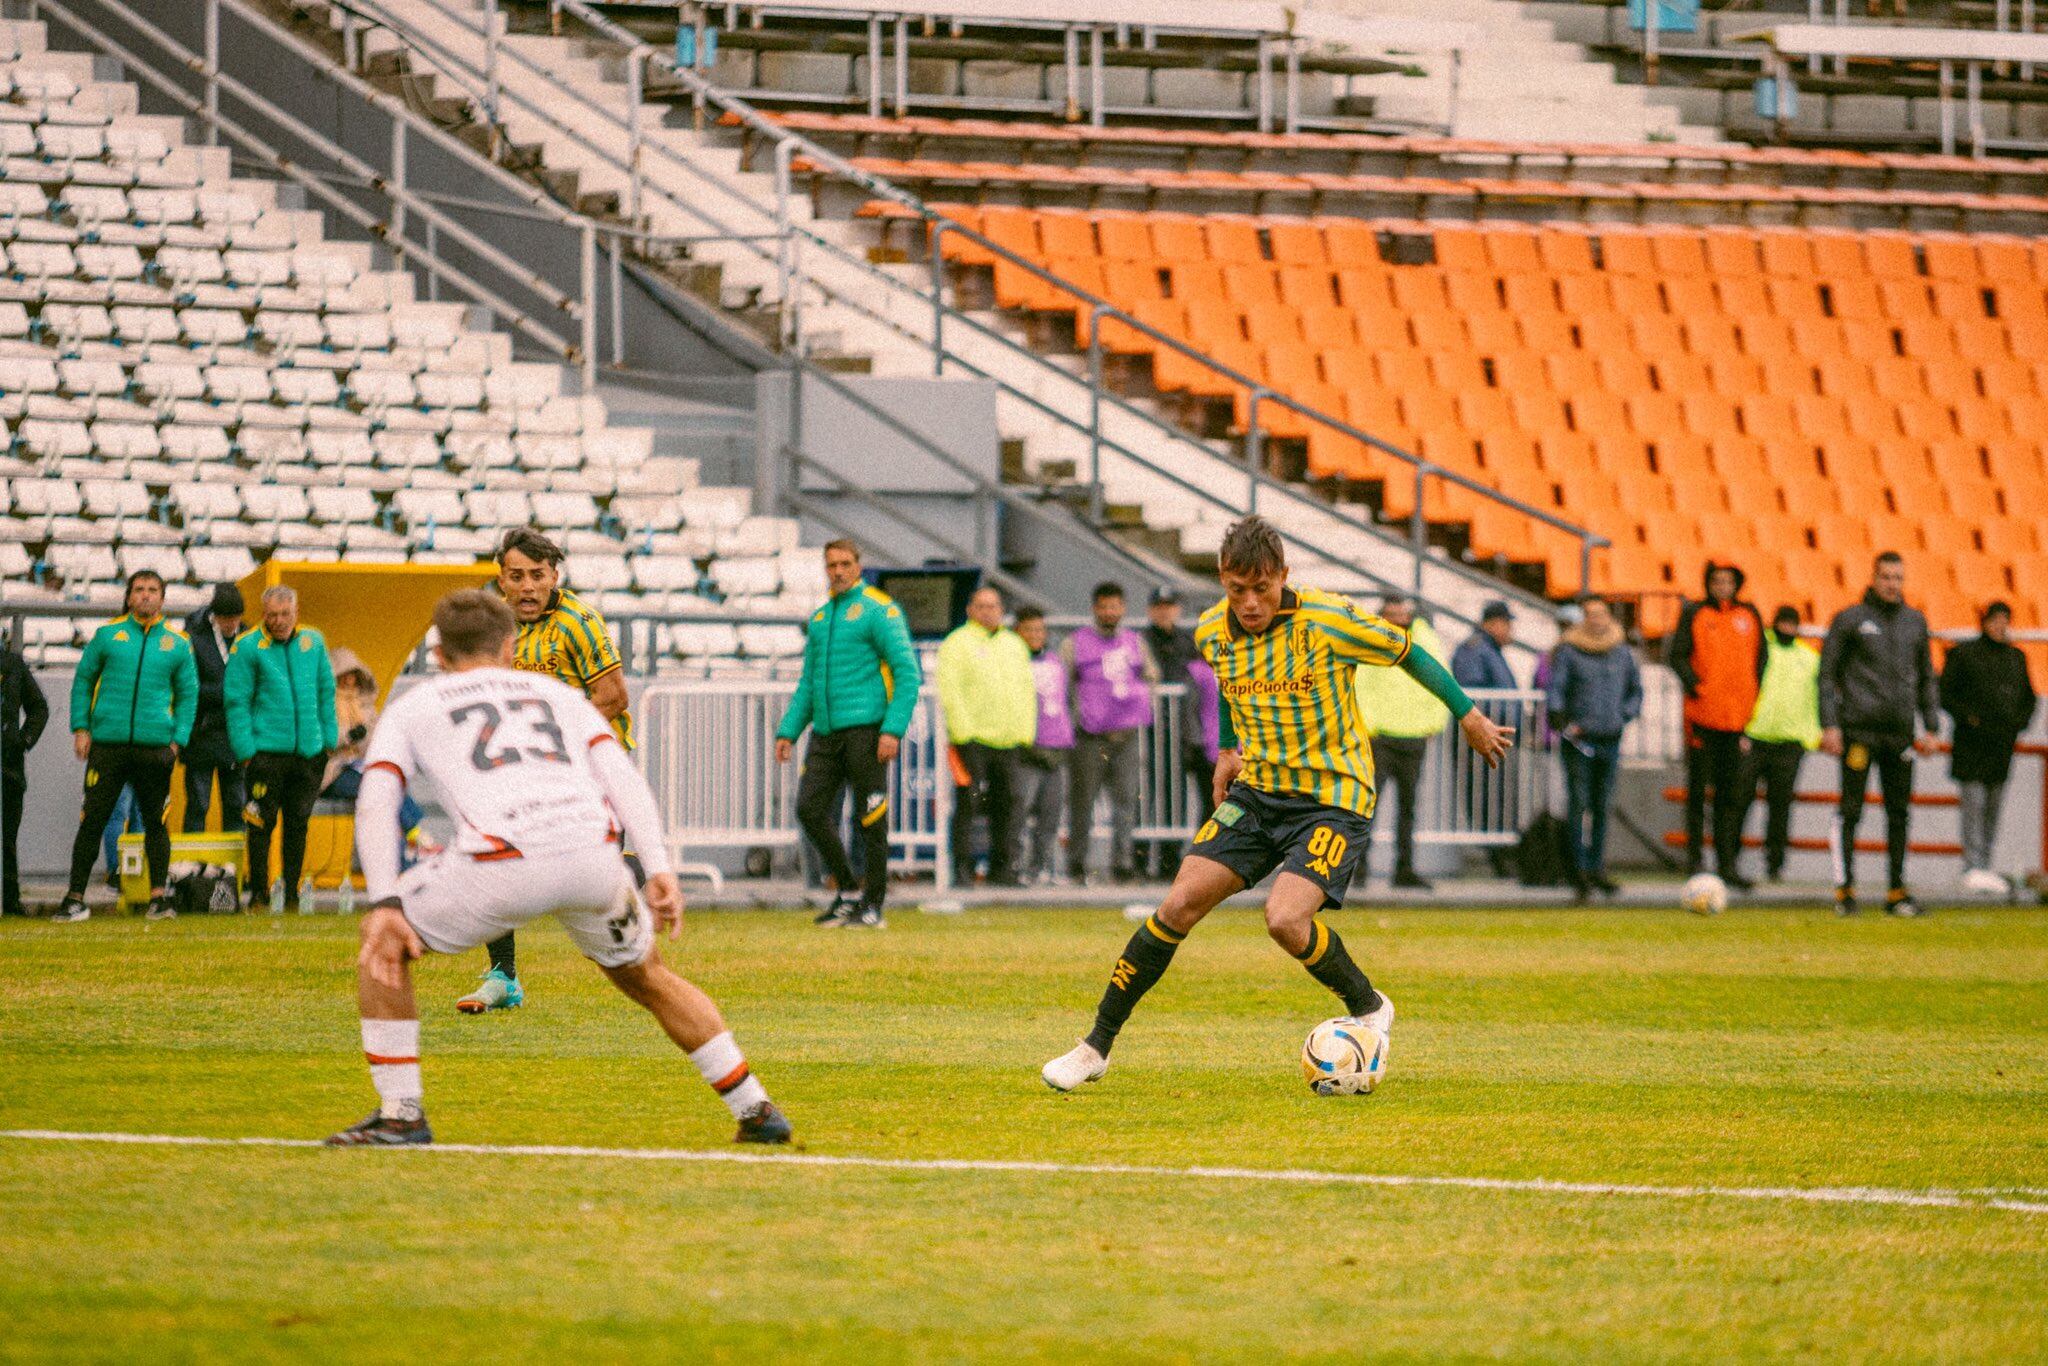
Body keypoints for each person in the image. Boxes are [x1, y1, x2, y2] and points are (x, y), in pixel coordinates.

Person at [1041, 516, 1512, 1092]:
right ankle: (1095, 1048)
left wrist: (1466, 713)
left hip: (1333, 797)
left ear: (1283, 577)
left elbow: (1409, 652)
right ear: (1222, 580)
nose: (1249, 602)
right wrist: (1226, 750)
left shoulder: (1327, 619)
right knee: (1177, 905)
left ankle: (1368, 1005)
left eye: (1261, 588)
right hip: (1260, 791)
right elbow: (1228, 683)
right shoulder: (1214, 629)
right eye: (1237, 589)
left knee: (1285, 919)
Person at [328, 589, 791, 1147]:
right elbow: (621, 777)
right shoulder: (555, 694)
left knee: (383, 948)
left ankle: (401, 1113)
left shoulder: (417, 705)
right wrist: (659, 866)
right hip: (594, 859)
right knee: (648, 975)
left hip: (502, 862)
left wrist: (384, 903)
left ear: (438, 653)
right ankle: (756, 1108)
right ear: (509, 644)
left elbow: (377, 797)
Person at [458, 527, 636, 1013]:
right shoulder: (495, 629)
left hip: (589, 771)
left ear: (554, 575)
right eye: (516, 577)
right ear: (502, 580)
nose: (528, 587)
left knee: (599, 893)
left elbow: (614, 696)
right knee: (491, 856)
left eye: (537, 575)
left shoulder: (578, 622)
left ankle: (637, 953)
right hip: (525, 771)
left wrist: (558, 744)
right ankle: (503, 977)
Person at [775, 538, 922, 929]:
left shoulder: (878, 610)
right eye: (831, 565)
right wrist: (788, 730)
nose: (838, 571)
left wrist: (892, 728)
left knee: (869, 817)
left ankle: (873, 904)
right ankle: (848, 890)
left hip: (867, 730)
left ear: (859, 566)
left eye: (845, 564)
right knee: (809, 809)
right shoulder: (821, 618)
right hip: (825, 733)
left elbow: (908, 673)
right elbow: (809, 682)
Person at [55, 570, 197, 923]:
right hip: (108, 747)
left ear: (162, 599)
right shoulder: (107, 635)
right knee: (93, 820)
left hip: (155, 749)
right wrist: (81, 727)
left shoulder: (178, 643)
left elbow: (189, 696)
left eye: (152, 590)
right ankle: (74, 899)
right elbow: (84, 681)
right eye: (139, 590)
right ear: (129, 597)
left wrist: (177, 741)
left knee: (155, 822)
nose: (146, 596)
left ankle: (158, 898)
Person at [1819, 552, 1941, 917]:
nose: (1892, 584)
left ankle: (1896, 891)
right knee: (1851, 810)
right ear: (1873, 578)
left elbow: (1926, 678)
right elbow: (1827, 675)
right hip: (1858, 731)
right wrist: (1830, 724)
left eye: (1898, 578)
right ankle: (1845, 890)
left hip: (1899, 733)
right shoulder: (1850, 620)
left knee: (1899, 812)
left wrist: (1931, 726)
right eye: (1886, 577)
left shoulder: (1915, 622)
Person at [226, 585, 338, 913]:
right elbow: (236, 701)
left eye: (284, 614)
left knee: (298, 824)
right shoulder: (248, 647)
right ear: (263, 615)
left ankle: (291, 895)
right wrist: (246, 749)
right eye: (272, 615)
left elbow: (325, 690)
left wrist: (328, 740)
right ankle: (259, 894)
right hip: (265, 754)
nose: (278, 621)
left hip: (308, 754)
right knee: (260, 824)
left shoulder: (313, 641)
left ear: (296, 613)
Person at [1667, 562, 1766, 889]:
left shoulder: (1749, 616)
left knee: (1730, 797)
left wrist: (1748, 696)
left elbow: (1760, 661)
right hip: (1702, 719)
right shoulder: (1695, 614)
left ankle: (1727, 863)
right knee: (1697, 793)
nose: (1723, 586)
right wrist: (1697, 687)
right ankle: (1695, 859)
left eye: (1728, 581)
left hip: (1736, 721)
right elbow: (1678, 655)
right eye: (1717, 581)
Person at [935, 585, 1035, 886]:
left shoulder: (1013, 644)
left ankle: (1003, 870)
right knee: (969, 803)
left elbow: (1026, 690)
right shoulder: (957, 643)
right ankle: (962, 870)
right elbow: (950, 690)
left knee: (1010, 805)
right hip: (973, 738)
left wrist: (1025, 731)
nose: (989, 611)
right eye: (982, 606)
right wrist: (962, 732)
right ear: (970, 610)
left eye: (994, 606)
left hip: (1009, 739)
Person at [1544, 597, 1642, 901]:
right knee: (1579, 802)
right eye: (1591, 615)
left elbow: (1635, 691)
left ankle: (1596, 866)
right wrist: (1563, 720)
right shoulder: (1570, 652)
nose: (1597, 620)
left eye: (1601, 614)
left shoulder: (1621, 652)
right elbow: (1556, 690)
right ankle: (1578, 869)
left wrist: (1623, 715)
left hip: (1609, 737)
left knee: (1602, 805)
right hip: (1580, 740)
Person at [1062, 582, 1160, 884]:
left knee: (1125, 804)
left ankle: (1123, 863)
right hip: (1089, 737)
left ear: (1123, 608)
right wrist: (1079, 714)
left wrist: (1138, 700)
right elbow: (1063, 680)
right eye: (1104, 606)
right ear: (1094, 608)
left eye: (1115, 606)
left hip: (1125, 736)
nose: (1109, 612)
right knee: (1082, 803)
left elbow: (1152, 675)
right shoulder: (1075, 642)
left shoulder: (1134, 642)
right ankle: (1076, 864)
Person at [1940, 601, 2038, 895]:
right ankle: (1973, 865)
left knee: (1993, 806)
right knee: (1974, 804)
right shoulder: (1964, 654)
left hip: (2001, 745)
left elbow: (2028, 698)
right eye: (1995, 621)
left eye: (2004, 621)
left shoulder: (2016, 658)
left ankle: (1984, 864)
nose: (1999, 626)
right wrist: (1969, 718)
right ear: (1984, 622)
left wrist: (2017, 724)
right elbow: (1946, 692)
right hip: (1972, 745)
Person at [1355, 593, 1449, 891]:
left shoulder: (1426, 640)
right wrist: (1368, 727)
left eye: (1401, 613)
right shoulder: (1372, 641)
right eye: (1392, 613)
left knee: (1407, 808)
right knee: (1369, 806)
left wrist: (1434, 722)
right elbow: (1361, 684)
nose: (1397, 618)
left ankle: (1404, 868)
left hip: (1413, 734)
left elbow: (1440, 679)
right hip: (1380, 736)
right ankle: (1359, 867)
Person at [321, 648, 429, 863]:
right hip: (335, 771)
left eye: (353, 675)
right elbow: (324, 740)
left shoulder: (366, 706)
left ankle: (407, 852)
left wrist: (366, 738)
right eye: (344, 676)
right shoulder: (324, 706)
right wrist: (349, 736)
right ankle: (413, 830)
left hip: (363, 765)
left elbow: (377, 741)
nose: (349, 681)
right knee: (377, 786)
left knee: (386, 787)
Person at [1742, 606, 1822, 883]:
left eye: (1791, 624)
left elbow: (1816, 701)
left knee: (1780, 807)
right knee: (1739, 800)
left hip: (1789, 743)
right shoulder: (1759, 647)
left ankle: (1775, 864)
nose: (1787, 629)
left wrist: (1808, 738)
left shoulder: (1809, 659)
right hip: (1755, 736)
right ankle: (1729, 858)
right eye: (1783, 623)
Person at [1453, 600, 1518, 876]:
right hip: (1482, 740)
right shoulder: (1476, 650)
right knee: (1486, 797)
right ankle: (1494, 855)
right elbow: (1474, 694)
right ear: (1492, 623)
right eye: (1507, 623)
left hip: (1494, 737)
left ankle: (1501, 853)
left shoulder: (1489, 651)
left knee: (1498, 797)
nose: (1511, 630)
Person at [1011, 607, 1073, 885]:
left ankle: (1041, 868)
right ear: (1017, 632)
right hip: (1027, 746)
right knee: (1020, 810)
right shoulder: (1012, 661)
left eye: (1039, 630)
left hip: (1056, 745)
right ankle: (1015, 867)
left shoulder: (1055, 661)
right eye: (1029, 630)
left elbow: (1066, 700)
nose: (1036, 635)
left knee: (1051, 813)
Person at [181, 583, 245, 835]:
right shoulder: (194, 636)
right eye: (225, 619)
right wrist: (228, 693)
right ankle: (190, 866)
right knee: (198, 805)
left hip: (236, 736)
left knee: (236, 805)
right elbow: (189, 687)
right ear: (213, 615)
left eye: (235, 619)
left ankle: (234, 870)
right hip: (202, 735)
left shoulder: (249, 637)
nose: (230, 625)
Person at [1, 633, 49, 917]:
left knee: (7, 836)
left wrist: (22, 740)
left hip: (7, 766)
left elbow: (39, 708)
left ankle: (9, 897)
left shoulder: (12, 665)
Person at [1452, 600, 1517, 692]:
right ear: (1490, 624)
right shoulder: (1473, 650)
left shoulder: (1491, 649)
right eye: (1506, 623)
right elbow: (1472, 690)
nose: (1510, 629)